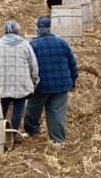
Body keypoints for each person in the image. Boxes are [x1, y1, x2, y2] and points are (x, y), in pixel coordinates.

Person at [24, 16, 78, 145]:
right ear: (50, 28)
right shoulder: (62, 43)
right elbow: (72, 64)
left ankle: (33, 132)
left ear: (38, 29)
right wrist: (73, 81)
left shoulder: (33, 45)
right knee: (57, 113)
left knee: (32, 110)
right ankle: (58, 140)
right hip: (61, 85)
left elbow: (29, 67)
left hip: (40, 87)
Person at [0, 20, 39, 131]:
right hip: (21, 86)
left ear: (5, 31)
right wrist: (34, 80)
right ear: (18, 31)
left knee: (1, 110)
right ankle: (14, 133)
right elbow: (33, 66)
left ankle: (0, 134)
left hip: (2, 85)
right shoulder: (25, 45)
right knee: (18, 111)